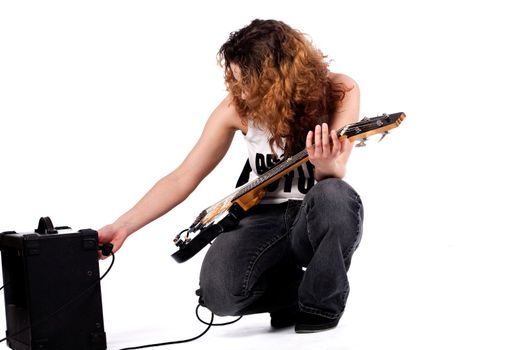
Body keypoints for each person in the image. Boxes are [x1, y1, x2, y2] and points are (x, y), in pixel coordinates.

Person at [98, 19, 363, 333]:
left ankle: (321, 304)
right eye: (236, 79)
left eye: (250, 81)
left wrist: (325, 164)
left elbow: (335, 172)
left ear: (282, 76)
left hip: (313, 213)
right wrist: (122, 227)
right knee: (219, 295)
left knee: (334, 197)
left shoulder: (338, 90)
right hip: (263, 215)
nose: (242, 91)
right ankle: (292, 295)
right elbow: (183, 177)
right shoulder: (236, 108)